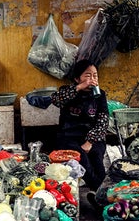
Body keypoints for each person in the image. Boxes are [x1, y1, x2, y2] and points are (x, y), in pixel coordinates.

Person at [51, 59, 109, 195]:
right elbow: (56, 100)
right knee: (82, 160)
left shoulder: (100, 95)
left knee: (97, 161)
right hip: (69, 137)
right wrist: (78, 88)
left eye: (95, 75)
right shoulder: (67, 92)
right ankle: (100, 193)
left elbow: (103, 120)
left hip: (92, 137)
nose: (92, 79)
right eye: (88, 76)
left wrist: (90, 142)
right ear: (77, 78)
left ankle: (99, 194)